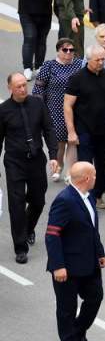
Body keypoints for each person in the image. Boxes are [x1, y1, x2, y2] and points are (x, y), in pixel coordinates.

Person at [45, 161, 105, 341]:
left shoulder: (88, 197)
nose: (96, 178)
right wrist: (58, 266)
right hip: (67, 267)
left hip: (88, 262)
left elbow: (91, 229)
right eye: (94, 175)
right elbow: (52, 235)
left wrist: (100, 252)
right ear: (87, 178)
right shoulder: (65, 200)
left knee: (95, 297)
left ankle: (79, 333)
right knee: (66, 309)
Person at [0, 71, 59, 264]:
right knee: (16, 204)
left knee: (38, 200)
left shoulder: (37, 103)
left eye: (24, 85)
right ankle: (20, 247)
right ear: (10, 89)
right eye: (18, 86)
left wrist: (53, 156)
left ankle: (28, 227)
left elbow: (49, 129)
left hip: (35, 160)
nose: (23, 88)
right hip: (14, 162)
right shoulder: (4, 111)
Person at [64, 46, 105, 209]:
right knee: (86, 167)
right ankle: (84, 198)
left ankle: (97, 196)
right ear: (88, 60)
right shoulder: (77, 78)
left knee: (103, 164)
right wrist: (71, 132)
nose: (101, 63)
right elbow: (67, 106)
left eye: (103, 59)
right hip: (84, 129)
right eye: (98, 60)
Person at [33, 38, 84, 181]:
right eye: (65, 50)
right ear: (58, 50)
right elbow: (38, 88)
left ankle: (70, 172)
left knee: (72, 141)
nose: (68, 53)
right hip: (54, 109)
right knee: (59, 142)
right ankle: (59, 165)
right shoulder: (48, 66)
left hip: (76, 108)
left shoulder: (80, 64)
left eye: (71, 50)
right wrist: (39, 109)